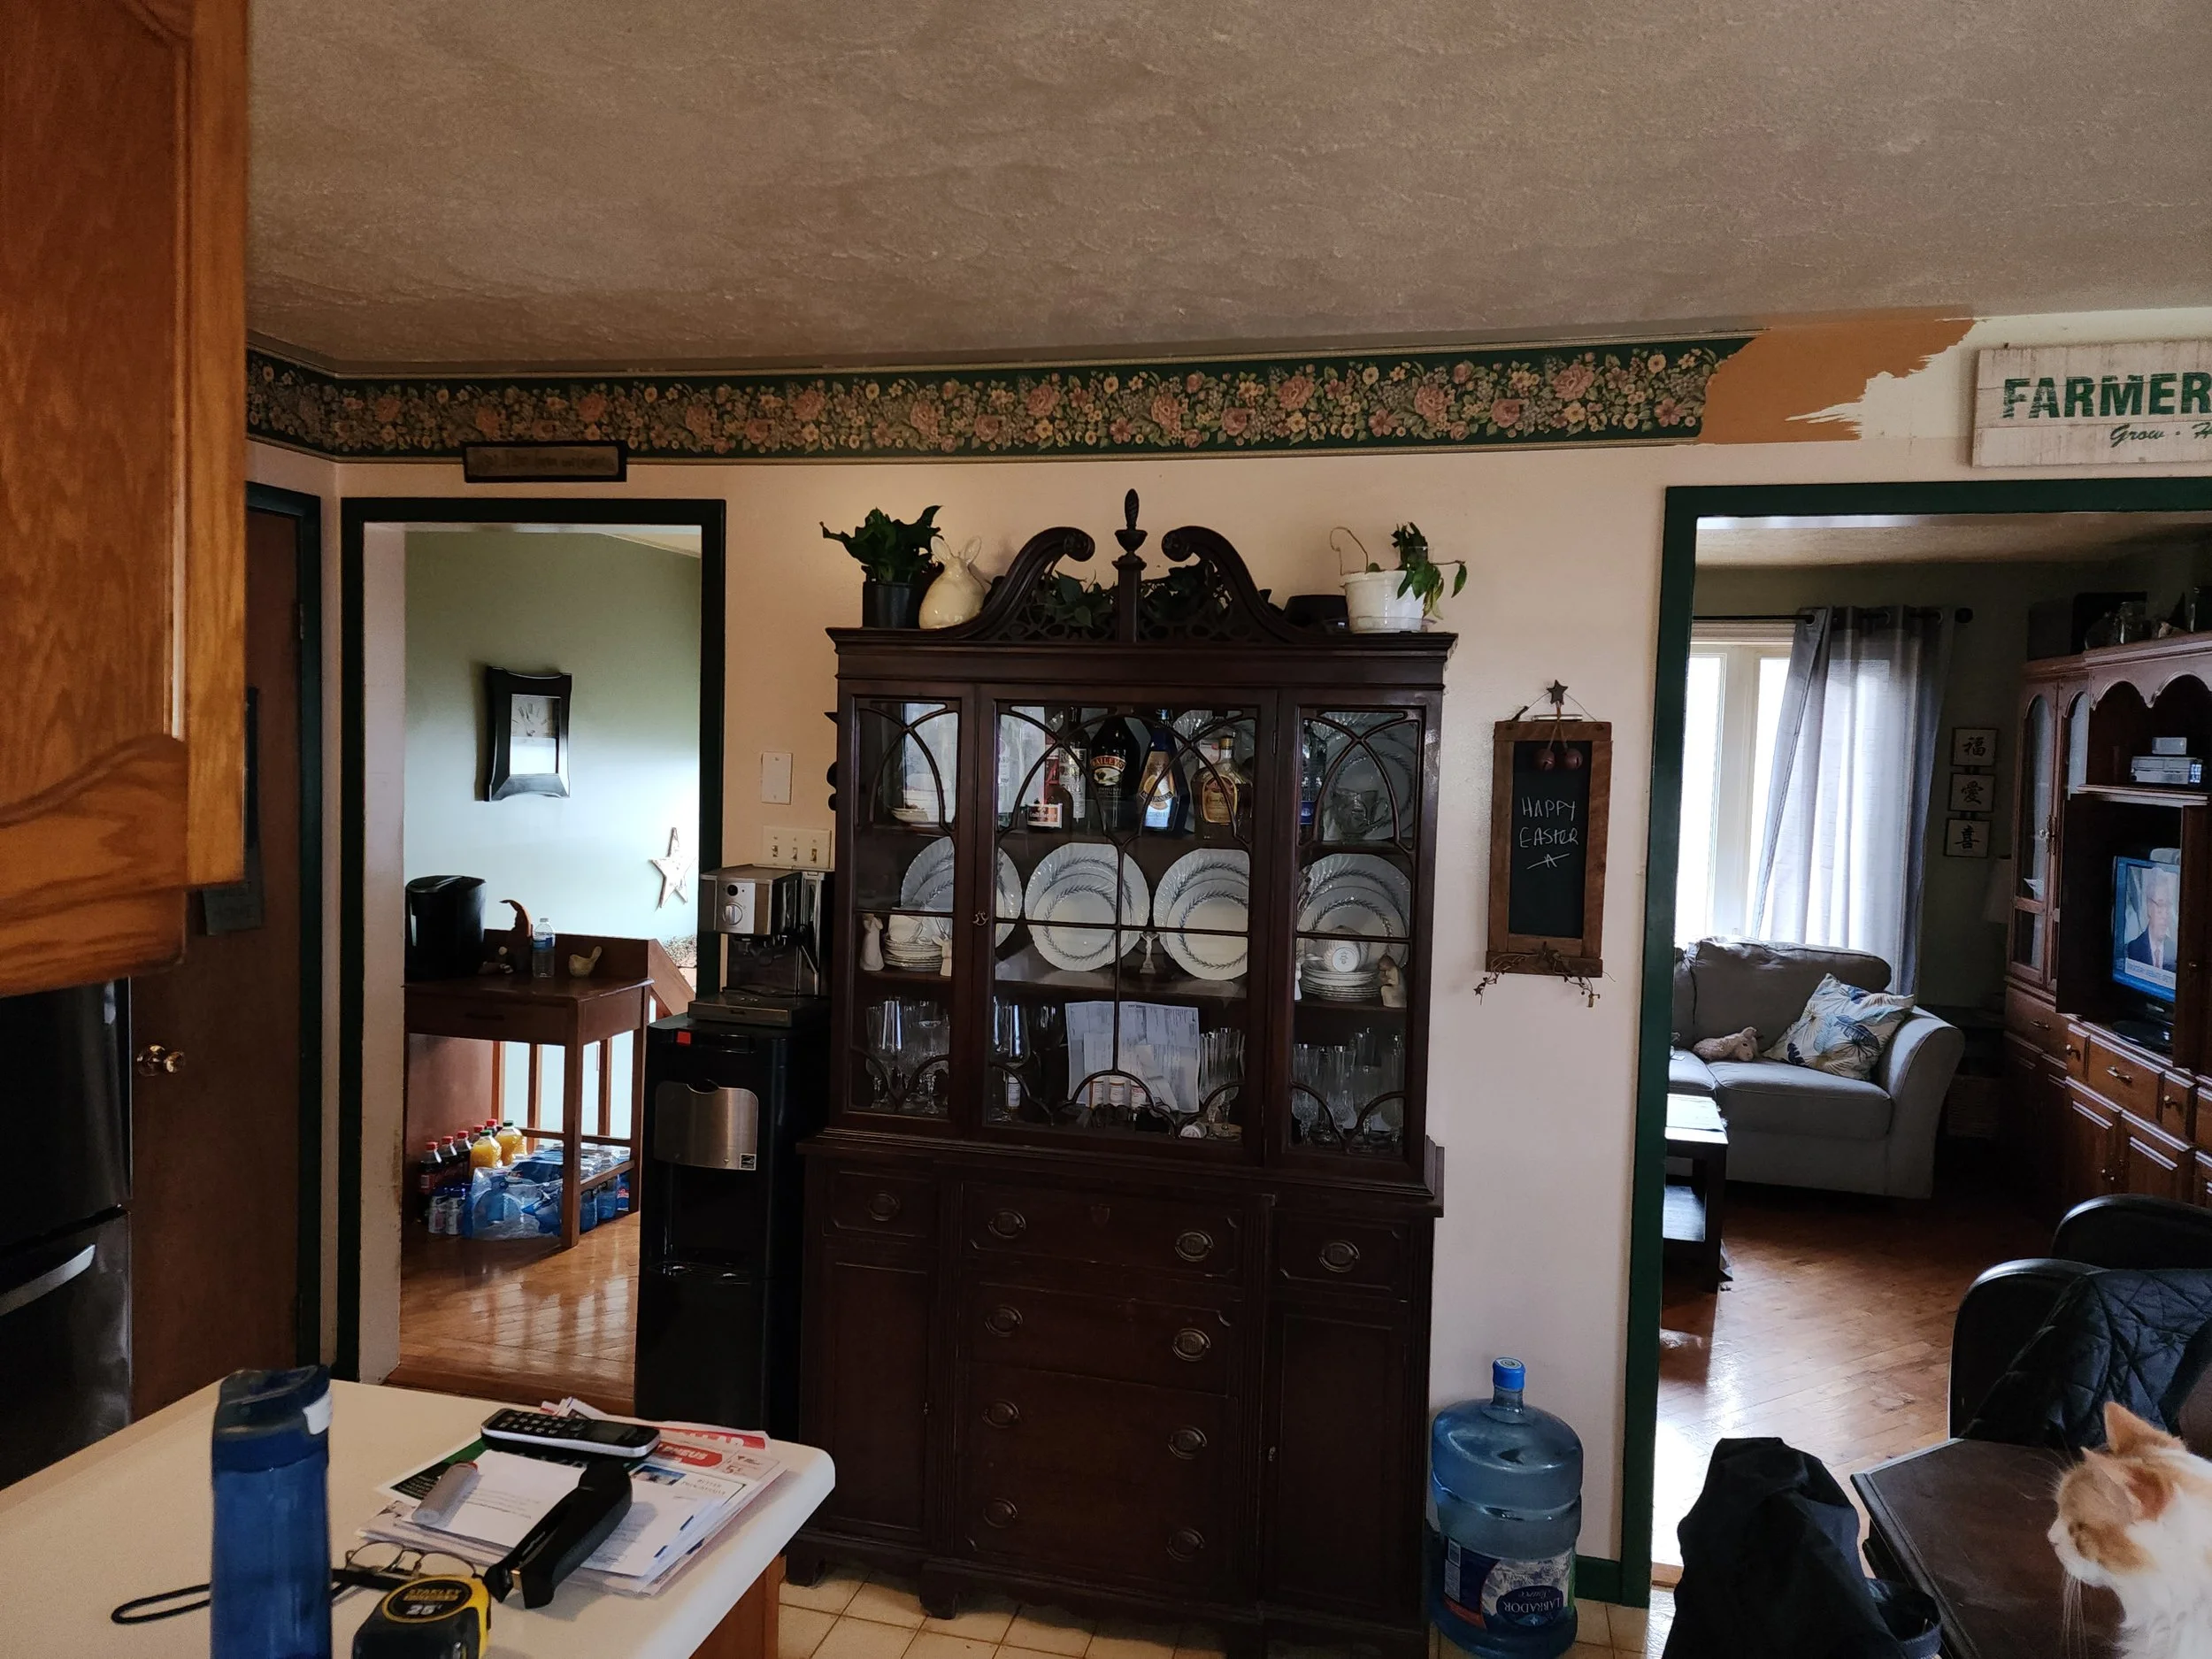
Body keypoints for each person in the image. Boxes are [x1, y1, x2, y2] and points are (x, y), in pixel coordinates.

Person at [2125, 865, 2179, 975]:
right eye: (2160, 904)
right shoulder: (2130, 950)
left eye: (2168, 905)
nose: (2165, 914)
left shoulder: (2176, 952)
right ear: (2149, 906)